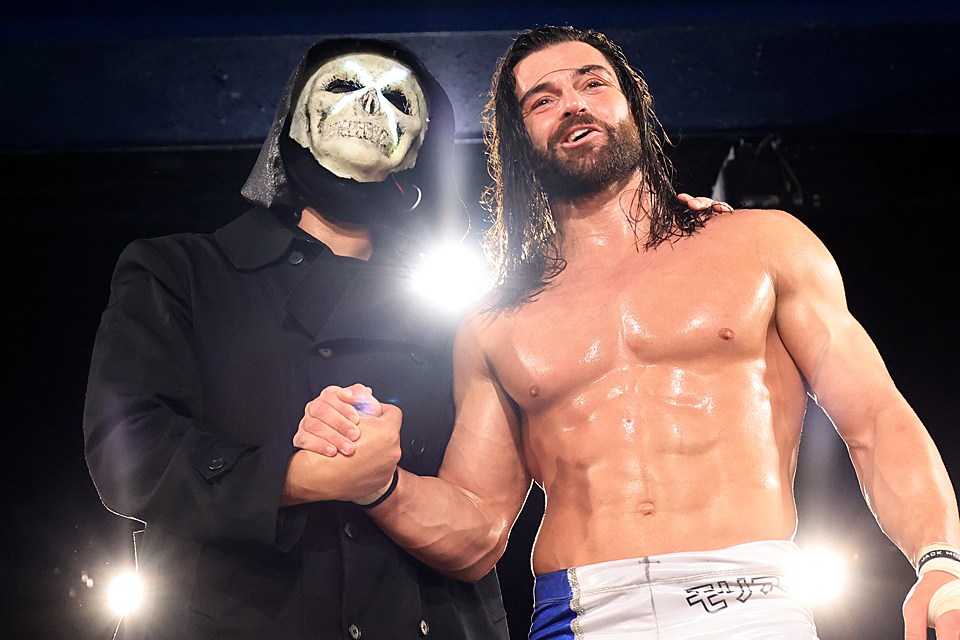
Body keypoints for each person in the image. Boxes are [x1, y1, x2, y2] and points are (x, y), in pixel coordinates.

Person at [294, 26, 960, 640]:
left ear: (633, 106)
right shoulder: (496, 320)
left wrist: (941, 563)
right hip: (580, 612)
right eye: (542, 100)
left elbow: (874, 418)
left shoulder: (761, 245)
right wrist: (378, 482)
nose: (574, 104)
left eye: (593, 83)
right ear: (518, 140)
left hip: (750, 600)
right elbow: (476, 532)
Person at [82, 37, 511, 640]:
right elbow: (128, 450)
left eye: (397, 99)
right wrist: (301, 477)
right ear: (296, 120)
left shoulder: (465, 310)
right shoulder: (181, 271)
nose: (370, 106)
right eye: (344, 85)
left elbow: (484, 515)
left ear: (419, 145)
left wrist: (383, 484)